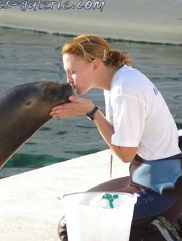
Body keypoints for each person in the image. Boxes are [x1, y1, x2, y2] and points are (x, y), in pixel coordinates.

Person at [50, 34, 182, 241]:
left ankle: (165, 232)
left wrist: (93, 112)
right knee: (73, 219)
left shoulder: (124, 89)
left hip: (162, 187)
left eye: (73, 72)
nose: (69, 80)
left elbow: (126, 154)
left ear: (95, 64)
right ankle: (165, 224)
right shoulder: (119, 80)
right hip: (143, 178)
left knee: (75, 230)